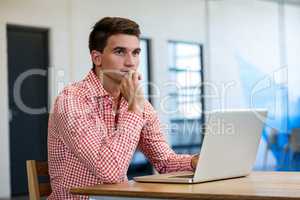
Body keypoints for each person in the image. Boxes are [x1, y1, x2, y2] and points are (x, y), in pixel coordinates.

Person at [48, 17, 199, 199]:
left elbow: (164, 162)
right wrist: (134, 108)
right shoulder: (72, 100)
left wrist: (194, 162)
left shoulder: (137, 103)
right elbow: (109, 172)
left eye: (135, 53)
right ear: (97, 58)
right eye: (120, 52)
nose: (130, 62)